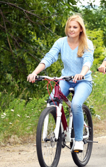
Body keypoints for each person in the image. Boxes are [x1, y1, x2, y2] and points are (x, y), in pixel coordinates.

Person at [27, 14, 94, 152]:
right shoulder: (61, 42)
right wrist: (35, 73)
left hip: (83, 81)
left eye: (75, 27)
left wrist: (81, 73)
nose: (72, 29)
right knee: (52, 101)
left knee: (76, 104)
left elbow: (88, 61)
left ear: (81, 29)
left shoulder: (87, 43)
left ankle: (79, 140)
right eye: (69, 27)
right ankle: (60, 129)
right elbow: (50, 57)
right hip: (66, 79)